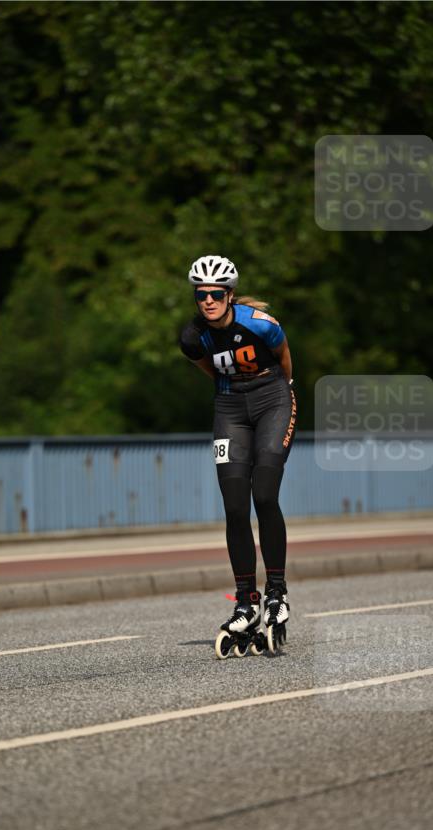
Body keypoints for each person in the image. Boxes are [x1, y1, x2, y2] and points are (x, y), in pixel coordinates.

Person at [179, 254, 296, 647]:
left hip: (273, 399)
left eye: (215, 294)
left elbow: (284, 362)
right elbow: (210, 371)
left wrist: (277, 392)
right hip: (230, 406)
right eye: (201, 295)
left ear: (229, 295)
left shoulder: (260, 324)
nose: (207, 301)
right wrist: (235, 388)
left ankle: (276, 591)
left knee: (264, 494)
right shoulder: (193, 337)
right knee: (234, 506)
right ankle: (246, 601)